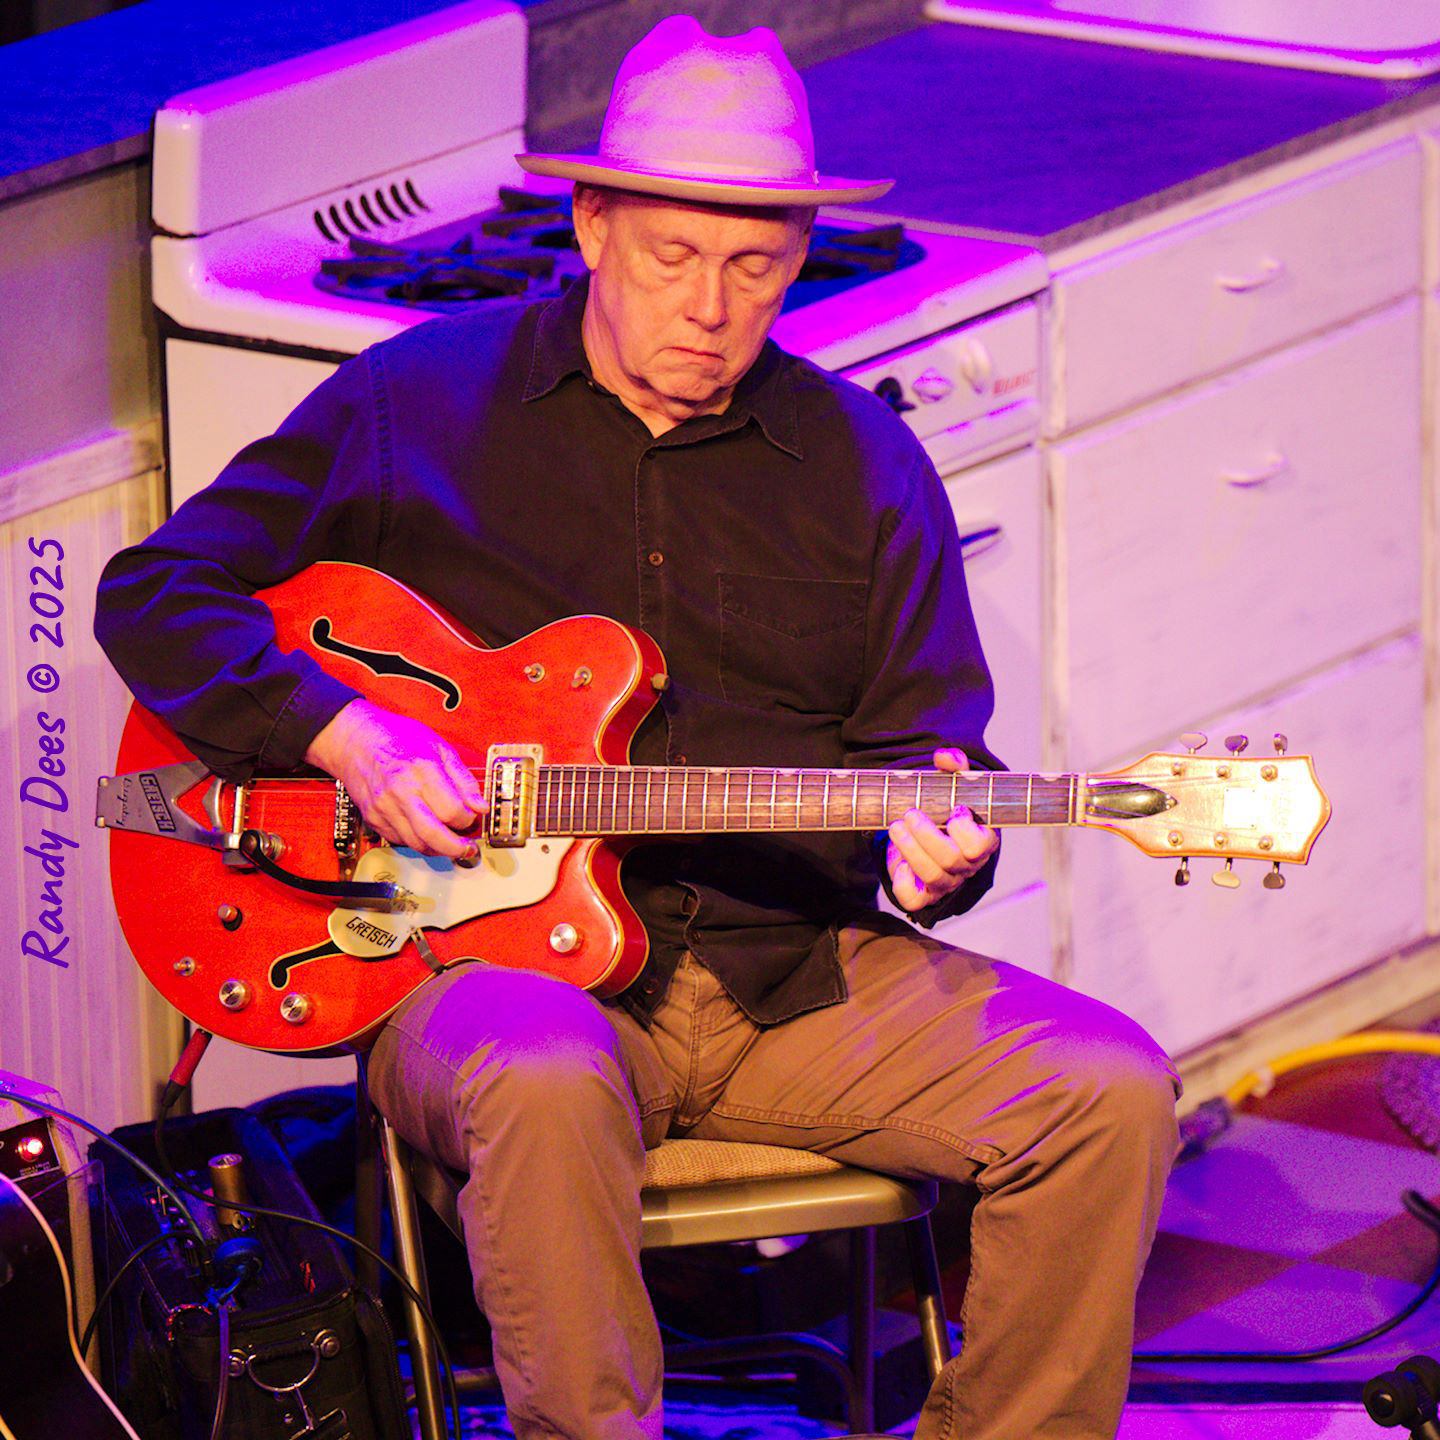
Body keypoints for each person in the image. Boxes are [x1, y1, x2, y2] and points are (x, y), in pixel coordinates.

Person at [95, 17, 1179, 1440]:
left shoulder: (864, 466)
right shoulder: (415, 404)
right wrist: (341, 731)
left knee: (1107, 1092)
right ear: (592, 224)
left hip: (785, 978)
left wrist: (939, 852)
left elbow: (932, 753)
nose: (714, 308)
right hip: (485, 985)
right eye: (675, 257)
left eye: (755, 266)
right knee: (544, 1078)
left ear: (798, 254)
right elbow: (155, 590)